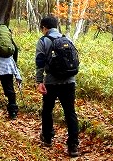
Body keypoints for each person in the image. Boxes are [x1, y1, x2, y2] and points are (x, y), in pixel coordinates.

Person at [35, 15, 79, 157]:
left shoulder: (43, 40)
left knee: (47, 110)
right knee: (70, 112)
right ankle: (73, 145)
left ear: (44, 28)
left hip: (51, 82)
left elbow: (40, 63)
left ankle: (47, 138)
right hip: (69, 81)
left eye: (42, 28)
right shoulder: (68, 39)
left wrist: (39, 81)